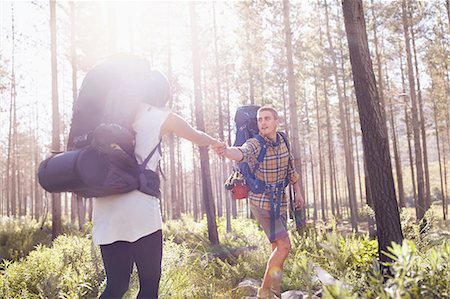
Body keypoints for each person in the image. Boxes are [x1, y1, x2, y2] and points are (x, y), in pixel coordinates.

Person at [92, 64, 221, 298]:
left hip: (105, 206)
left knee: (116, 285)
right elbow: (196, 136)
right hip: (139, 206)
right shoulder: (160, 116)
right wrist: (216, 142)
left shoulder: (113, 116)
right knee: (149, 286)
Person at [214, 106, 304, 299]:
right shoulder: (255, 143)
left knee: (277, 249)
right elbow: (241, 152)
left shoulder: (284, 140)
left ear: (276, 121)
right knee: (285, 246)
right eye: (260, 119)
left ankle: (275, 292)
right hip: (261, 203)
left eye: (266, 119)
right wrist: (225, 150)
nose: (262, 123)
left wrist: (298, 193)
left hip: (280, 202)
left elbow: (291, 169)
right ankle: (263, 292)